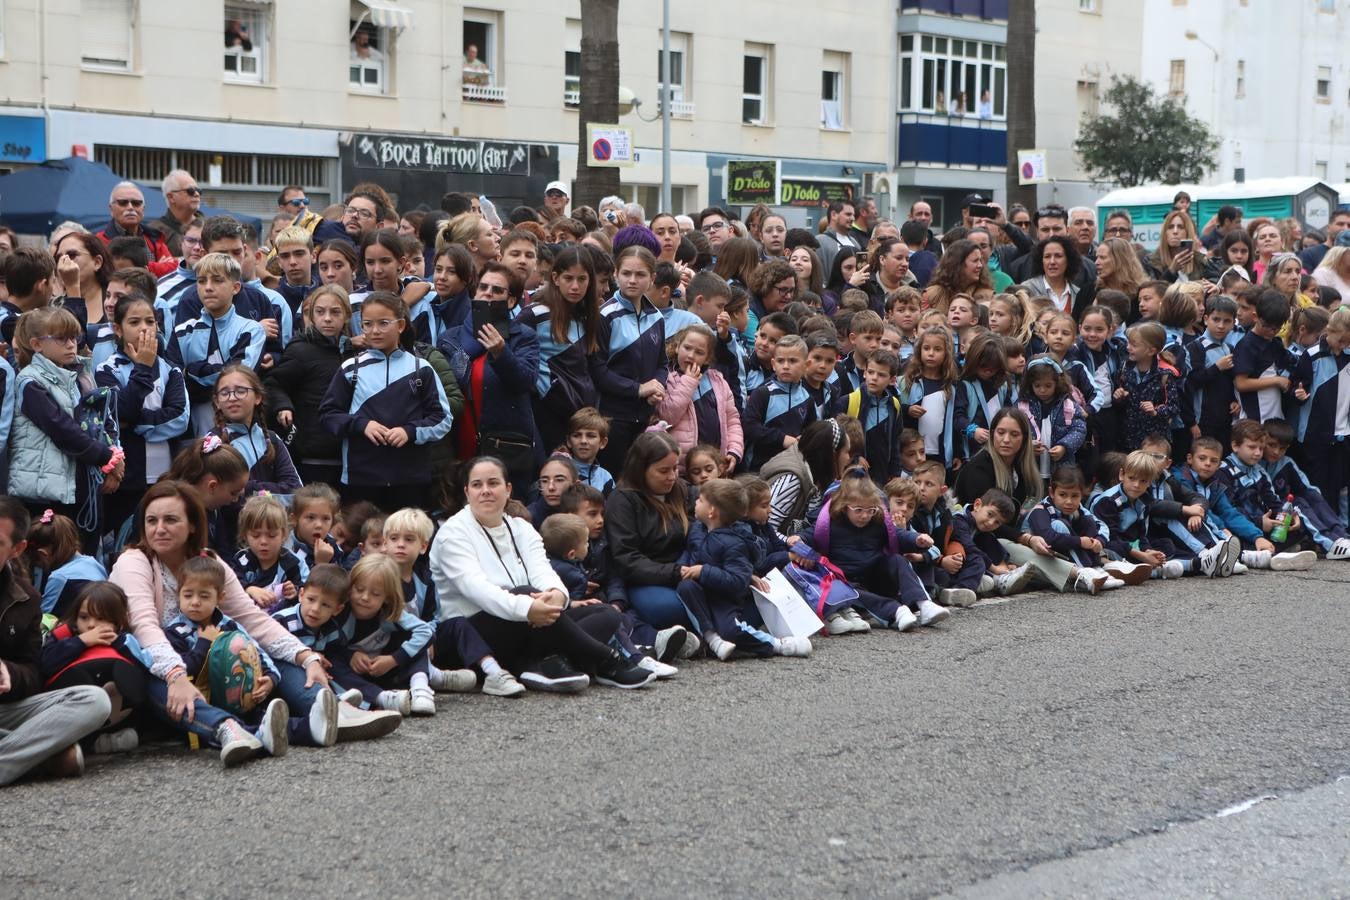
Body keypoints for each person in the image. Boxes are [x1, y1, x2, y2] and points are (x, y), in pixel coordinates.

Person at [108, 480, 402, 761]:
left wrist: (306, 656)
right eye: (151, 521)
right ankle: (229, 731)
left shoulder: (207, 560)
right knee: (155, 675)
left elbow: (251, 618)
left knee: (283, 654)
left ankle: (331, 710)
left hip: (215, 659)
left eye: (171, 520)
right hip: (162, 666)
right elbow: (144, 628)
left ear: (193, 524)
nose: (159, 529)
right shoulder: (134, 561)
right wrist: (175, 676)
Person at [429, 456, 655, 691]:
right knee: (525, 593)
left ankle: (545, 663)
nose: (485, 491)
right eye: (477, 485)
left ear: (508, 489)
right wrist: (528, 609)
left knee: (606, 613)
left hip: (527, 623)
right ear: (467, 492)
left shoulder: (522, 528)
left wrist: (557, 595)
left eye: (493, 483)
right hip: (471, 634)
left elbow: (543, 572)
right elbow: (477, 590)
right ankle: (605, 660)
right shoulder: (452, 534)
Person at [0, 499, 112, 784]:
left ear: (17, 550)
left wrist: (9, 673)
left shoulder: (27, 599)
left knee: (95, 701)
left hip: (6, 709)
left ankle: (16, 757)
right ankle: (40, 756)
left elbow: (34, 672)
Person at [320, 292, 453, 510]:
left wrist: (409, 432)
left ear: (400, 325)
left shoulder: (422, 369)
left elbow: (442, 419)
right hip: (361, 478)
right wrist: (362, 425)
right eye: (367, 324)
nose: (374, 330)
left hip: (410, 479)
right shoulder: (350, 369)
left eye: (383, 323)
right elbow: (327, 415)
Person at [677, 478, 812, 659]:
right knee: (685, 587)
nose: (695, 502)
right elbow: (690, 552)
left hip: (723, 598)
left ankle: (777, 645)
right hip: (701, 591)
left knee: (731, 631)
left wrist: (704, 571)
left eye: (700, 500)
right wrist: (681, 567)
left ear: (712, 511)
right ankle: (713, 640)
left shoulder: (734, 543)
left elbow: (737, 581)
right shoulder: (697, 529)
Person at [656, 323, 743, 471]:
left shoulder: (718, 381)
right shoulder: (667, 379)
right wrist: (688, 382)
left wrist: (734, 450)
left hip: (714, 466)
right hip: (682, 467)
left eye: (699, 352)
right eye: (687, 348)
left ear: (708, 358)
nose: (691, 355)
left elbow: (732, 421)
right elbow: (667, 416)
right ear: (677, 347)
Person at [97, 182, 175, 278]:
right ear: (111, 209)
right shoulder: (99, 242)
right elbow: (107, 273)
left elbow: (174, 267)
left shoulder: (154, 237)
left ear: (143, 209)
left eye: (136, 203)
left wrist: (137, 268)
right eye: (123, 203)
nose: (130, 207)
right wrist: (156, 267)